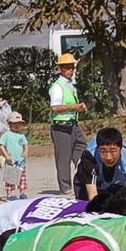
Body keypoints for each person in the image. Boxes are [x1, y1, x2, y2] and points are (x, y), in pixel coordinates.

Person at [48, 53, 89, 195]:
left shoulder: (70, 85)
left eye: (72, 67)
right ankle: (65, 188)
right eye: (67, 68)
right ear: (60, 69)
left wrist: (78, 106)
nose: (70, 70)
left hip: (73, 125)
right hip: (61, 127)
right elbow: (55, 107)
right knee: (63, 159)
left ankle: (86, 179)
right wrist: (73, 106)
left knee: (84, 151)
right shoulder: (58, 86)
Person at [74, 126, 126, 200]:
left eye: (113, 151)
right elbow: (92, 196)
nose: (108, 157)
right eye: (103, 151)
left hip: (116, 182)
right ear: (98, 149)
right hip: (87, 183)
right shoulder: (90, 157)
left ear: (121, 149)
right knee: (87, 206)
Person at [0, 111, 29, 201]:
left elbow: (26, 144)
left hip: (21, 160)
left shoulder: (21, 135)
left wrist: (26, 151)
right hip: (11, 160)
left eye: (18, 123)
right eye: (14, 123)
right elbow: (1, 145)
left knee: (22, 178)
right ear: (9, 123)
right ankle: (9, 194)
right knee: (10, 178)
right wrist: (6, 155)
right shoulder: (6, 135)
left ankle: (22, 192)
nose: (17, 125)